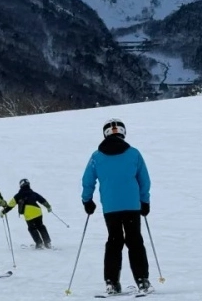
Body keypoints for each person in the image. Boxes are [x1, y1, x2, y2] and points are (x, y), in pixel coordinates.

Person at [81, 119, 152, 296]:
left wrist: (87, 200)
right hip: (132, 206)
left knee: (114, 241)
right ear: (123, 132)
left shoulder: (96, 156)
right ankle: (142, 280)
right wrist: (144, 201)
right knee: (135, 241)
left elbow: (88, 180)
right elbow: (144, 180)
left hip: (111, 207)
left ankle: (111, 282)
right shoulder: (134, 153)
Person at [1, 178, 53, 249]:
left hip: (28, 214)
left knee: (32, 228)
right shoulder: (33, 193)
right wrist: (48, 207)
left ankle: (39, 243)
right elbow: (42, 200)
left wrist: (3, 212)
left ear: (21, 185)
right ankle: (47, 243)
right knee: (41, 226)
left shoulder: (18, 195)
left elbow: (10, 205)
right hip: (38, 212)